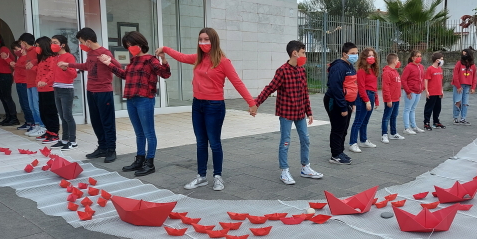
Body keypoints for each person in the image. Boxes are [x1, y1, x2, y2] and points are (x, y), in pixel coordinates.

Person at [156, 28, 257, 190]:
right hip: (198, 105)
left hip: (214, 106)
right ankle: (201, 176)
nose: (203, 43)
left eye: (207, 39)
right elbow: (181, 57)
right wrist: (165, 49)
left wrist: (251, 103)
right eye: (201, 39)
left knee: (214, 143)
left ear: (214, 41)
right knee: (201, 143)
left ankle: (218, 176)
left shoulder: (223, 62)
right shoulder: (198, 58)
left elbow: (237, 82)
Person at [101, 31, 171, 176]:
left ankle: (149, 163)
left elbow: (165, 74)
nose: (130, 47)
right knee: (139, 133)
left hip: (145, 99)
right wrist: (109, 64)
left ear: (141, 44)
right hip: (131, 99)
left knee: (148, 133)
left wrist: (163, 59)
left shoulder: (150, 59)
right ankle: (139, 159)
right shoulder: (133, 61)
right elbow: (124, 75)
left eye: (132, 44)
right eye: (127, 45)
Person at [254, 40, 323, 185]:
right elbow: (270, 88)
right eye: (303, 53)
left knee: (305, 139)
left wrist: (308, 112)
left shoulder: (301, 70)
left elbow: (305, 93)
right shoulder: (282, 71)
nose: (305, 56)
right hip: (286, 113)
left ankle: (305, 167)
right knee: (285, 141)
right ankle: (284, 170)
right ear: (295, 53)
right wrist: (256, 103)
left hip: (299, 114)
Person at [57, 28, 121, 163]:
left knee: (107, 122)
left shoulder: (104, 52)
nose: (81, 45)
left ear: (88, 41)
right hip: (91, 91)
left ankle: (111, 149)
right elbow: (87, 66)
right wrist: (69, 65)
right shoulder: (91, 53)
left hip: (104, 92)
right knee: (96, 121)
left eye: (81, 42)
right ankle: (102, 147)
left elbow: (119, 66)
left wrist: (109, 60)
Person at [324, 42, 358, 165]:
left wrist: (353, 102)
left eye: (356, 53)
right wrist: (343, 107)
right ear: (344, 54)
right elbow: (336, 88)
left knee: (344, 128)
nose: (355, 55)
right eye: (352, 53)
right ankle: (335, 155)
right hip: (336, 101)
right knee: (338, 128)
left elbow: (352, 85)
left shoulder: (350, 66)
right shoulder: (339, 66)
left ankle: (340, 151)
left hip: (347, 102)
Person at [349, 47, 380, 153]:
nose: (371, 57)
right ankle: (353, 143)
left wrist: (376, 99)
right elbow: (361, 87)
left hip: (371, 95)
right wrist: (366, 101)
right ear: (364, 58)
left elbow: (374, 86)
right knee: (358, 120)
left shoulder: (373, 70)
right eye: (369, 55)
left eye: (373, 55)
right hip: (364, 96)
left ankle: (363, 140)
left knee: (365, 121)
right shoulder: (362, 71)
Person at [50, 35, 78, 150]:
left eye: (55, 42)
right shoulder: (56, 57)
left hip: (66, 89)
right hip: (57, 88)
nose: (53, 44)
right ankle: (65, 139)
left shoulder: (69, 57)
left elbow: (74, 74)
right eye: (52, 42)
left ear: (63, 44)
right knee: (62, 116)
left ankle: (73, 141)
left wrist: (65, 68)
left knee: (68, 116)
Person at [34, 37, 60, 144]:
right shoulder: (43, 59)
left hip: (49, 89)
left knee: (50, 111)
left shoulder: (51, 58)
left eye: (37, 45)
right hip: (41, 89)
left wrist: (44, 80)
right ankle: (48, 131)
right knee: (43, 111)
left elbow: (51, 72)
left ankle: (54, 132)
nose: (36, 48)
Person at [19, 33, 45, 137]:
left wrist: (33, 62)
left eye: (21, 43)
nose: (21, 45)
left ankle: (42, 126)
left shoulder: (35, 51)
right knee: (31, 106)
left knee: (36, 105)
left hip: (36, 82)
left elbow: (41, 64)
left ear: (24, 42)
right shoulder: (26, 52)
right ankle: (36, 125)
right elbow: (22, 66)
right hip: (29, 82)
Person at [10, 41, 35, 132]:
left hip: (24, 82)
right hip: (19, 82)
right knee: (23, 104)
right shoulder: (20, 57)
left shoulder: (26, 57)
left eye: (17, 49)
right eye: (14, 50)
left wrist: (16, 65)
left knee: (27, 104)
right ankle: (28, 121)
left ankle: (32, 122)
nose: (15, 51)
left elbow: (25, 68)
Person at [381, 53, 405, 144]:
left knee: (394, 116)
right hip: (390, 99)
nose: (399, 62)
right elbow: (385, 87)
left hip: (396, 99)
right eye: (398, 60)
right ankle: (384, 135)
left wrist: (398, 97)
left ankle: (393, 133)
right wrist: (388, 99)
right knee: (386, 117)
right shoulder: (387, 72)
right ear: (394, 61)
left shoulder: (395, 71)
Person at [401, 50, 425, 135]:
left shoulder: (421, 66)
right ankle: (407, 127)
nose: (419, 58)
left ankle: (414, 126)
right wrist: (408, 91)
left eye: (420, 56)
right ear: (412, 58)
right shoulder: (409, 67)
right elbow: (403, 79)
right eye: (417, 56)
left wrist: (422, 88)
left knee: (413, 109)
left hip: (418, 91)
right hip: (411, 91)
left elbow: (422, 78)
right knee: (407, 109)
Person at [452, 49, 477, 125]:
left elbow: (474, 77)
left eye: (465, 54)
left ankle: (463, 118)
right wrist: (458, 86)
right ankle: (455, 117)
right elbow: (455, 75)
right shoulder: (459, 63)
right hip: (459, 85)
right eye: (463, 54)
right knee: (457, 102)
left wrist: (473, 87)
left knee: (465, 103)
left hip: (467, 86)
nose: (464, 56)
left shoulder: (473, 66)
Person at [423, 52, 446, 131]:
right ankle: (426, 122)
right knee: (429, 108)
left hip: (438, 92)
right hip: (432, 92)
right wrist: (427, 91)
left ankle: (436, 121)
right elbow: (426, 79)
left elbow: (440, 80)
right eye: (441, 59)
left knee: (438, 108)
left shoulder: (440, 69)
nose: (442, 61)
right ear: (437, 60)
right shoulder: (430, 69)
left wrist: (441, 90)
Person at [0, 33, 18, 126]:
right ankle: (8, 117)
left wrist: (6, 58)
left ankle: (13, 118)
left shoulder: (3, 49)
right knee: (3, 98)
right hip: (0, 75)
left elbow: (13, 59)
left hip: (4, 75)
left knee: (7, 97)